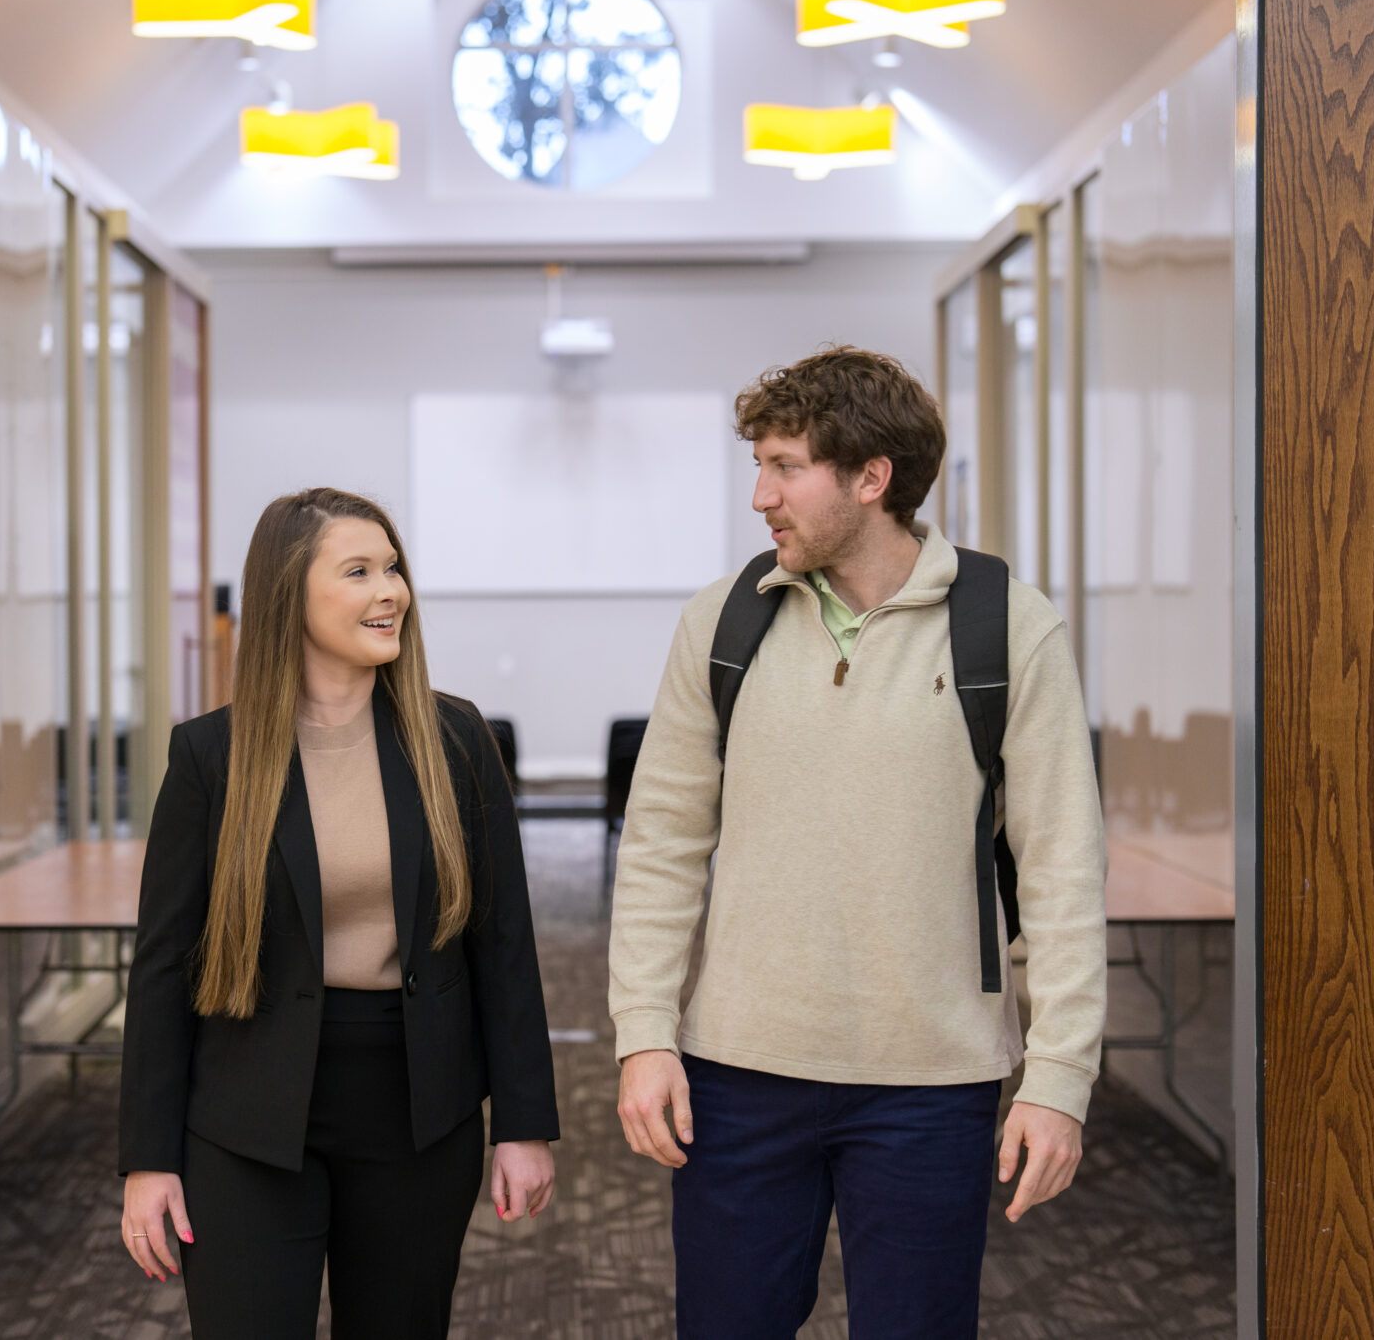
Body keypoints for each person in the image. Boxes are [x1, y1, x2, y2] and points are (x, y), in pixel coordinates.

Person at [608, 346, 1107, 1339]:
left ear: (869, 478)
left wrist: (1057, 1079)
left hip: (930, 1080)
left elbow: (1060, 870)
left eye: (783, 466)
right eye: (758, 465)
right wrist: (643, 1034)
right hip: (739, 1070)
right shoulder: (722, 622)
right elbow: (660, 843)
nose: (759, 495)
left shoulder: (1007, 627)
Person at [119, 488, 560, 1339]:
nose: (390, 590)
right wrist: (147, 1157)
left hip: (418, 1110)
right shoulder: (211, 754)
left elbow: (503, 944)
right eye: (358, 570)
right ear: (291, 592)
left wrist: (525, 1123)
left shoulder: (457, 741)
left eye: (393, 568)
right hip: (247, 1111)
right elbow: (164, 963)